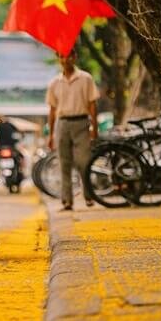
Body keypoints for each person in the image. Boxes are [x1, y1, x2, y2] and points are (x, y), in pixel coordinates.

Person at [46, 48, 99, 211]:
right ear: (59, 58)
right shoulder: (54, 82)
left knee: (84, 161)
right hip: (62, 124)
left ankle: (89, 195)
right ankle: (67, 201)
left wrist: (94, 127)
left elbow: (92, 104)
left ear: (75, 57)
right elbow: (52, 110)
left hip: (81, 122)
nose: (66, 59)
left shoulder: (86, 78)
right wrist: (51, 134)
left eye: (69, 56)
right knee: (64, 163)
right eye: (62, 56)